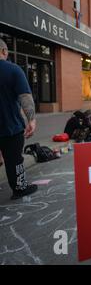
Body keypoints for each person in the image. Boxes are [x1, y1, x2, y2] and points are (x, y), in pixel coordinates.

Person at [0, 38, 38, 200]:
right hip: (10, 126)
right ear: (4, 51)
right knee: (14, 160)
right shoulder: (13, 70)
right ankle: (20, 187)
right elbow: (25, 97)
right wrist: (31, 120)